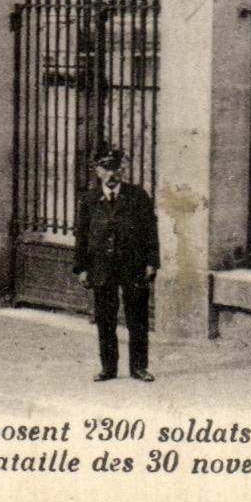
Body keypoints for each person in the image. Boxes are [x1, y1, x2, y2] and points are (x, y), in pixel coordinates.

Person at [73, 146, 159, 382]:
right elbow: (82, 235)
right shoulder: (89, 200)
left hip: (133, 265)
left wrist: (152, 262)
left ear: (122, 169)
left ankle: (139, 368)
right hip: (102, 267)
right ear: (97, 171)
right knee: (105, 318)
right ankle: (108, 368)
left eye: (116, 168)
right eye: (106, 168)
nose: (112, 174)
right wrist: (82, 267)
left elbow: (151, 231)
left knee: (137, 319)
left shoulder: (138, 196)